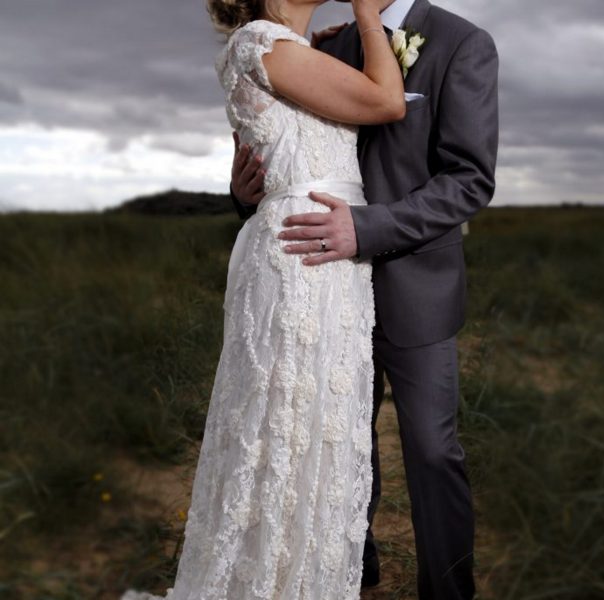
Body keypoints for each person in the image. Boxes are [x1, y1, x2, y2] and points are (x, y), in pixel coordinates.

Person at [119, 0, 406, 598]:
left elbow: (276, 148)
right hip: (302, 260)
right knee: (285, 421)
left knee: (316, 423)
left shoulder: (293, 48)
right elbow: (386, 103)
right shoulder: (261, 42)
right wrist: (367, 10)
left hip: (330, 258)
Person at [230, 0, 499, 598]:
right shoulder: (322, 43)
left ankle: (448, 590)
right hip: (321, 283)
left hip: (415, 285)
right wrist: (245, 190)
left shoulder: (462, 43)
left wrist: (369, 228)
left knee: (431, 449)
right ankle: (352, 567)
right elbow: (288, 147)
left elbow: (471, 178)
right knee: (339, 434)